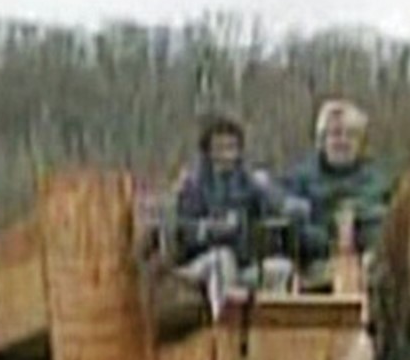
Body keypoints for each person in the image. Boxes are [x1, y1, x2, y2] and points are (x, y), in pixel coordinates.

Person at [144, 113, 301, 304]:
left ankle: (271, 327)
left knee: (282, 269)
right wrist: (211, 229)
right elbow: (181, 230)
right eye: (220, 148)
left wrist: (289, 207)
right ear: (208, 151)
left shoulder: (249, 182)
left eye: (232, 148)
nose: (227, 155)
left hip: (243, 263)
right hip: (199, 262)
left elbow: (274, 205)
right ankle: (226, 325)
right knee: (222, 260)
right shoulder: (193, 185)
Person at [276, 98, 394, 290]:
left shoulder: (380, 179)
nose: (343, 141)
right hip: (314, 265)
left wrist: (355, 221)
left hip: (371, 265)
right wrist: (332, 236)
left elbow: (391, 221)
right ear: (322, 140)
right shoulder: (300, 179)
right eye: (336, 134)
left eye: (351, 135)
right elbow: (290, 224)